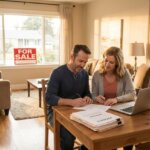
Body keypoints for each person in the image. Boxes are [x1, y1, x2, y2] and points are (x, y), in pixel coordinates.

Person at [45, 44, 93, 150]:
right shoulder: (57, 73)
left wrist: (87, 97)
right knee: (68, 136)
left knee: (93, 131)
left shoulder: (84, 74)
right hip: (55, 112)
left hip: (78, 111)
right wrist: (71, 102)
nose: (83, 65)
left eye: (85, 62)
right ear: (72, 57)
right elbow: (49, 98)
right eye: (80, 61)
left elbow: (87, 92)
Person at [92, 46, 136, 150]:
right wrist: (96, 98)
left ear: (117, 63)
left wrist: (116, 99)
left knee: (129, 138)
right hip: (102, 112)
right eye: (106, 60)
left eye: (111, 62)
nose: (107, 64)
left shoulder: (125, 74)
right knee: (110, 143)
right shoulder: (97, 74)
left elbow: (132, 94)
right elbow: (92, 94)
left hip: (120, 111)